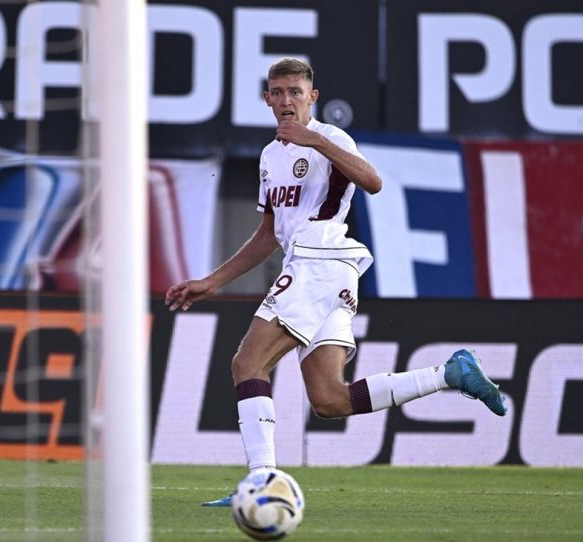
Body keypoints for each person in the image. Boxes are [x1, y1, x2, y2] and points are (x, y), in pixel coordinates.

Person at [165, 58, 506, 507]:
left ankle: (262, 481)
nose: (286, 100)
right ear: (267, 99)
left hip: (319, 260)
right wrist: (213, 281)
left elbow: (373, 182)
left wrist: (316, 140)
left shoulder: (330, 137)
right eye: (278, 92)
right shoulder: (270, 157)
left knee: (247, 363)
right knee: (329, 400)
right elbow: (269, 234)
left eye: (295, 92)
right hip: (324, 270)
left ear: (313, 97)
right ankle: (449, 374)